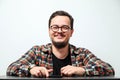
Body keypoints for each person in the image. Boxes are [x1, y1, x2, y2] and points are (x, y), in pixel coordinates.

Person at [6, 10, 115, 77]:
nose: (59, 31)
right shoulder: (37, 51)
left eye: (65, 27)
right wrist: (31, 69)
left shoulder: (82, 53)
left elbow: (109, 69)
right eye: (55, 27)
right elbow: (11, 68)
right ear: (49, 31)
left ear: (71, 32)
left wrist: (81, 70)